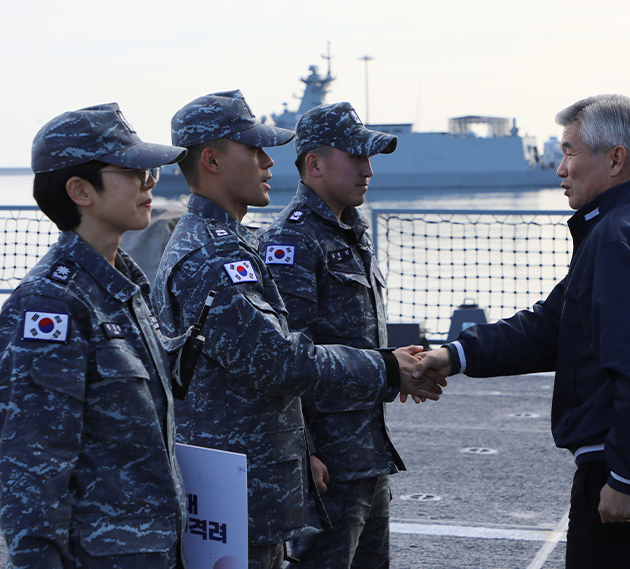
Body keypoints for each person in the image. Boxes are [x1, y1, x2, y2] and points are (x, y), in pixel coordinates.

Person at [413, 94, 630, 569]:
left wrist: (628, 476)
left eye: (570, 152)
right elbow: (554, 324)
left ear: (615, 159)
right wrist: (454, 355)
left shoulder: (618, 236)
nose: (560, 168)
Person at [151, 90, 443, 569]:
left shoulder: (233, 244)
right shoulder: (213, 254)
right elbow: (281, 359)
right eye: (254, 149)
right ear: (212, 161)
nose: (269, 161)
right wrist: (387, 367)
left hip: (261, 478)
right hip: (241, 485)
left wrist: (389, 365)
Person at [0, 104, 189, 568]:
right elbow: (33, 464)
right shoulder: (50, 304)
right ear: (80, 190)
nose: (150, 181)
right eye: (133, 170)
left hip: (153, 550)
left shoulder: (123, 285)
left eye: (151, 170)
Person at [259, 101, 402, 568]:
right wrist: (305, 452)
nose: (368, 171)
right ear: (314, 164)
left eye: (369, 159)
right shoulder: (291, 242)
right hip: (328, 468)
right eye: (356, 157)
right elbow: (286, 356)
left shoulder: (348, 231)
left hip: (366, 455)